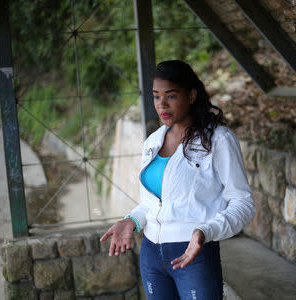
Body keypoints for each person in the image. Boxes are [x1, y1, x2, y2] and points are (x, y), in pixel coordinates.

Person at [100, 60, 255, 300]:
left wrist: (206, 231)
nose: (162, 104)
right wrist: (132, 220)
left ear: (192, 95)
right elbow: (155, 204)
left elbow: (243, 203)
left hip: (194, 255)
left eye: (171, 96)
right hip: (151, 255)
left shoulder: (218, 140)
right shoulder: (153, 141)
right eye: (156, 96)